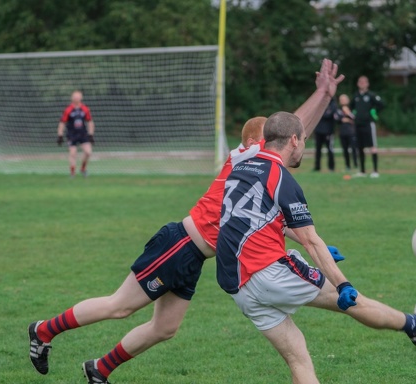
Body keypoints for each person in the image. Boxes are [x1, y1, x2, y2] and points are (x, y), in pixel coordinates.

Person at [28, 59, 345, 384]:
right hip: (179, 244)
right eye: (271, 137)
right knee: (120, 307)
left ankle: (99, 369)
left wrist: (326, 97)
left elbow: (296, 136)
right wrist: (320, 92)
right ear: (253, 142)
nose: (283, 142)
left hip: (193, 257)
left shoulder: (257, 176)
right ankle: (43, 331)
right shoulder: (246, 156)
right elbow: (293, 128)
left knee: (165, 328)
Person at [216, 111, 416, 384]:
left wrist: (311, 245)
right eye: (304, 140)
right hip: (268, 273)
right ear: (293, 140)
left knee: (298, 358)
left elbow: (262, 220)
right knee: (353, 300)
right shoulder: (282, 179)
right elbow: (312, 241)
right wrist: (342, 283)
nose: (305, 146)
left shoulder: (240, 167)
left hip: (236, 284)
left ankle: (415, 326)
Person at [349, 75, 384, 178]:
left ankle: (375, 171)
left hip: (368, 124)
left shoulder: (371, 95)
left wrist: (374, 112)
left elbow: (381, 104)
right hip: (358, 125)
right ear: (358, 83)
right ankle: (362, 171)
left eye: (364, 82)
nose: (362, 83)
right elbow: (351, 108)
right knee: (360, 148)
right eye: (360, 82)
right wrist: (353, 115)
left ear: (367, 84)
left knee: (372, 147)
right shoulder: (356, 96)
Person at [57, 90, 95, 177]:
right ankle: (72, 172)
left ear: (81, 97)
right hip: (72, 134)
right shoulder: (68, 110)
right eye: (75, 96)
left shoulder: (85, 109)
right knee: (73, 153)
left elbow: (90, 122)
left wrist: (91, 134)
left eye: (78, 96)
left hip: (82, 134)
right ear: (72, 98)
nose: (76, 98)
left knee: (88, 152)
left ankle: (83, 168)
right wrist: (60, 135)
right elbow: (62, 123)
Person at [313, 97, 338, 172]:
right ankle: (317, 167)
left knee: (330, 150)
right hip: (318, 131)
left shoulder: (333, 104)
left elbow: (329, 115)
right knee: (318, 150)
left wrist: (321, 113)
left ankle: (331, 167)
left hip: (328, 132)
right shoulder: (319, 103)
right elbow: (315, 114)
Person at [336, 94, 358, 171]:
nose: (343, 101)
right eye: (341, 99)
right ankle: (347, 165)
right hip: (343, 132)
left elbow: (355, 118)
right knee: (345, 150)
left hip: (352, 132)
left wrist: (348, 113)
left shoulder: (352, 108)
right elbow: (337, 119)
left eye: (344, 99)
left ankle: (356, 164)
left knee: (354, 149)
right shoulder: (338, 109)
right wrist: (345, 119)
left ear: (348, 100)